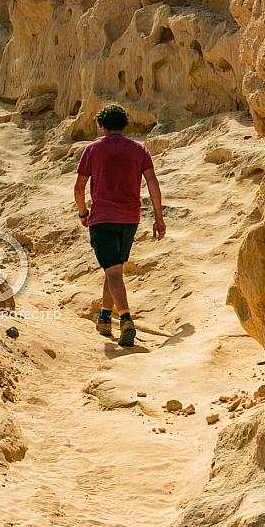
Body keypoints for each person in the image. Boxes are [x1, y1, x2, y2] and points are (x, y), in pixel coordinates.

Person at [74, 104, 166, 347]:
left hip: (103, 218)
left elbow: (79, 188)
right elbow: (152, 182)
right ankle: (104, 318)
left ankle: (126, 320)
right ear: (124, 126)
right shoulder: (139, 150)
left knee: (113, 270)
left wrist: (83, 213)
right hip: (130, 218)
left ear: (102, 127)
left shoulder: (92, 149)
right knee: (113, 267)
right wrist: (159, 217)